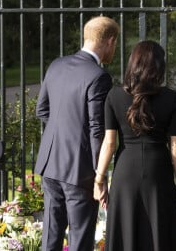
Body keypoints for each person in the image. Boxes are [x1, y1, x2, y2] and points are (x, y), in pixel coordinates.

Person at [35, 16, 119, 251]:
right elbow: (96, 129)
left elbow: (42, 110)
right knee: (80, 240)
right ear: (110, 41)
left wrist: (62, 135)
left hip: (50, 165)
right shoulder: (99, 76)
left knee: (50, 236)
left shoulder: (56, 65)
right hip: (79, 170)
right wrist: (98, 176)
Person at [94, 40, 176, 251]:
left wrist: (99, 178)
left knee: (125, 232)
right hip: (158, 172)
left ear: (132, 64)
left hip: (125, 171)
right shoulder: (171, 98)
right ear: (159, 67)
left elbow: (109, 143)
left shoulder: (114, 96)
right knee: (160, 231)